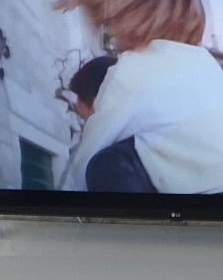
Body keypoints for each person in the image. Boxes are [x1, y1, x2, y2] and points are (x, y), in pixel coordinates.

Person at [54, 0, 223, 195]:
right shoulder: (205, 64)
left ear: (132, 17)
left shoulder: (134, 69)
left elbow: (93, 148)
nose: (111, 34)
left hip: (214, 200)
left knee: (105, 163)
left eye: (114, 22)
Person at [64, 54, 158, 193]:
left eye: (85, 119)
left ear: (99, 105)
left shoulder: (108, 166)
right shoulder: (158, 146)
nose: (84, 129)